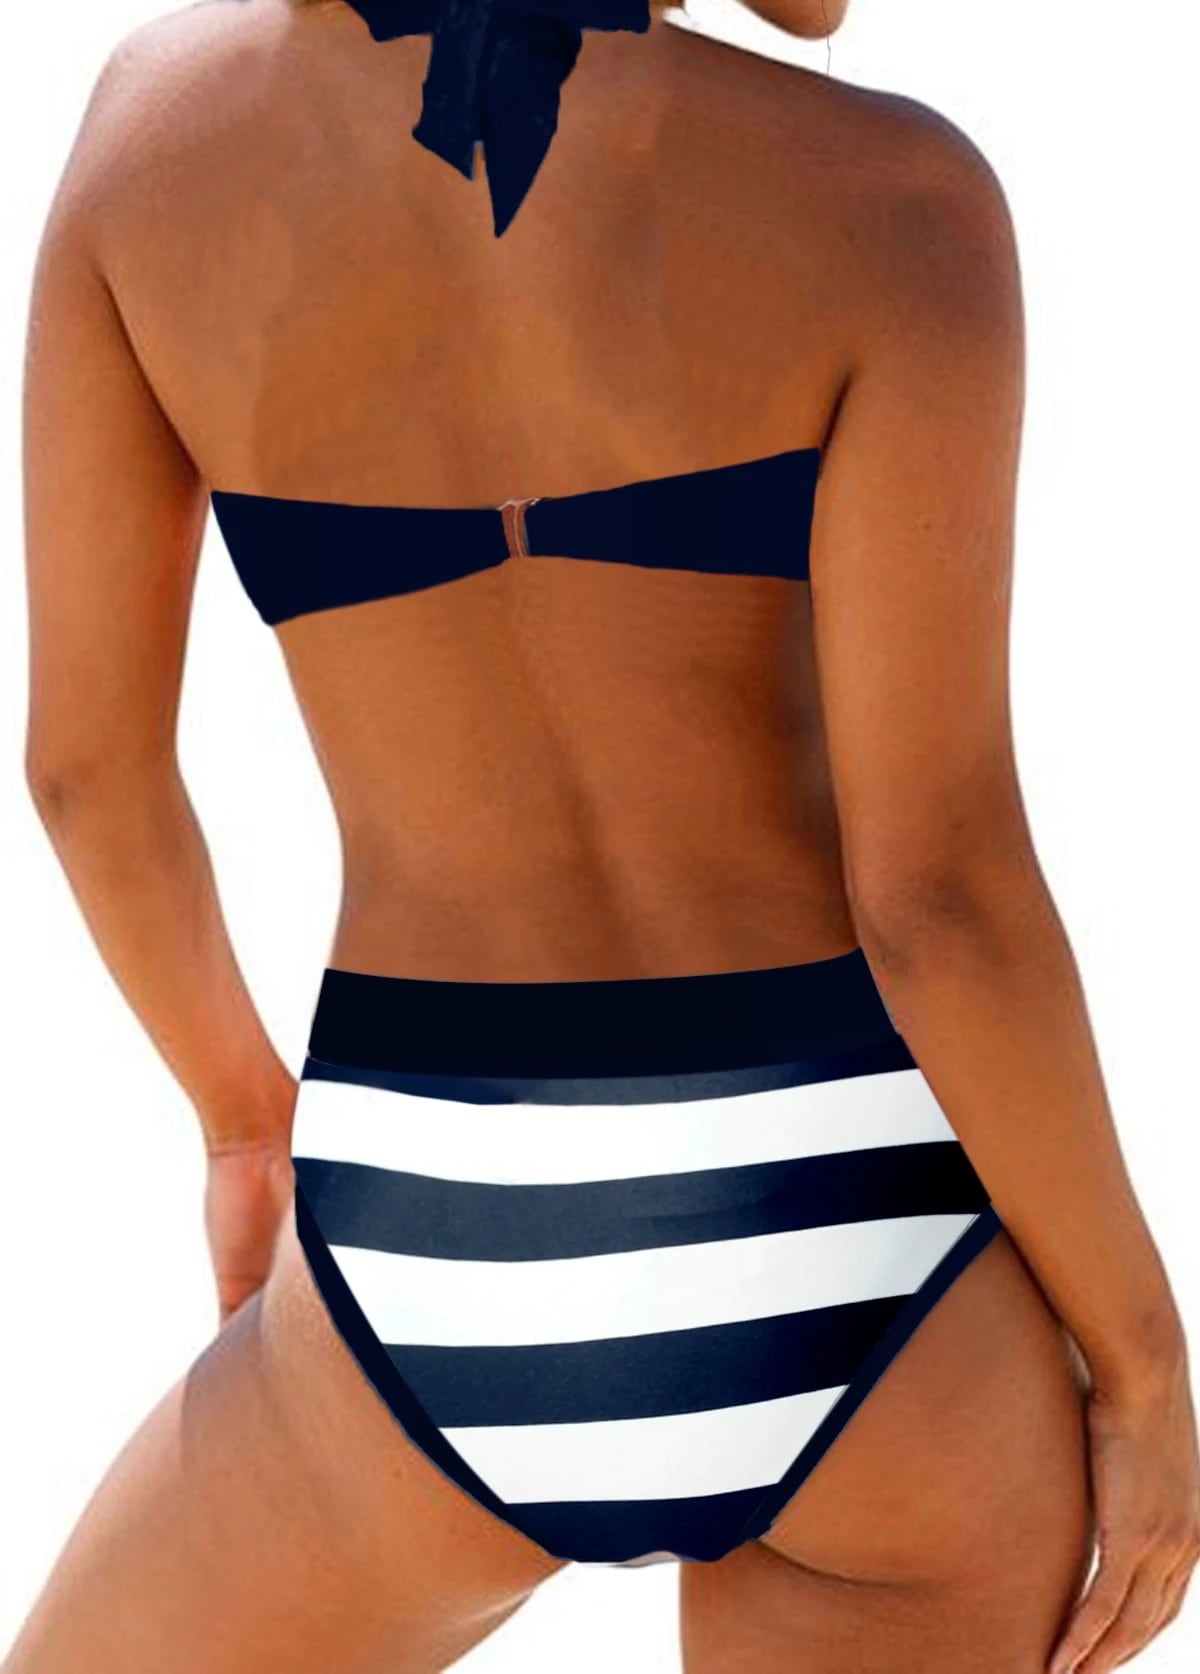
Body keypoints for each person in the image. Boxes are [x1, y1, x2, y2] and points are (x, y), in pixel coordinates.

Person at [14, 0, 1199, 1668]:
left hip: (428, 1223)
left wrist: (241, 1120)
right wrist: (1141, 1361)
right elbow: (940, 896)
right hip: (871, 1261)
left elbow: (90, 775)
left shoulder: (151, 146)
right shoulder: (895, 197)